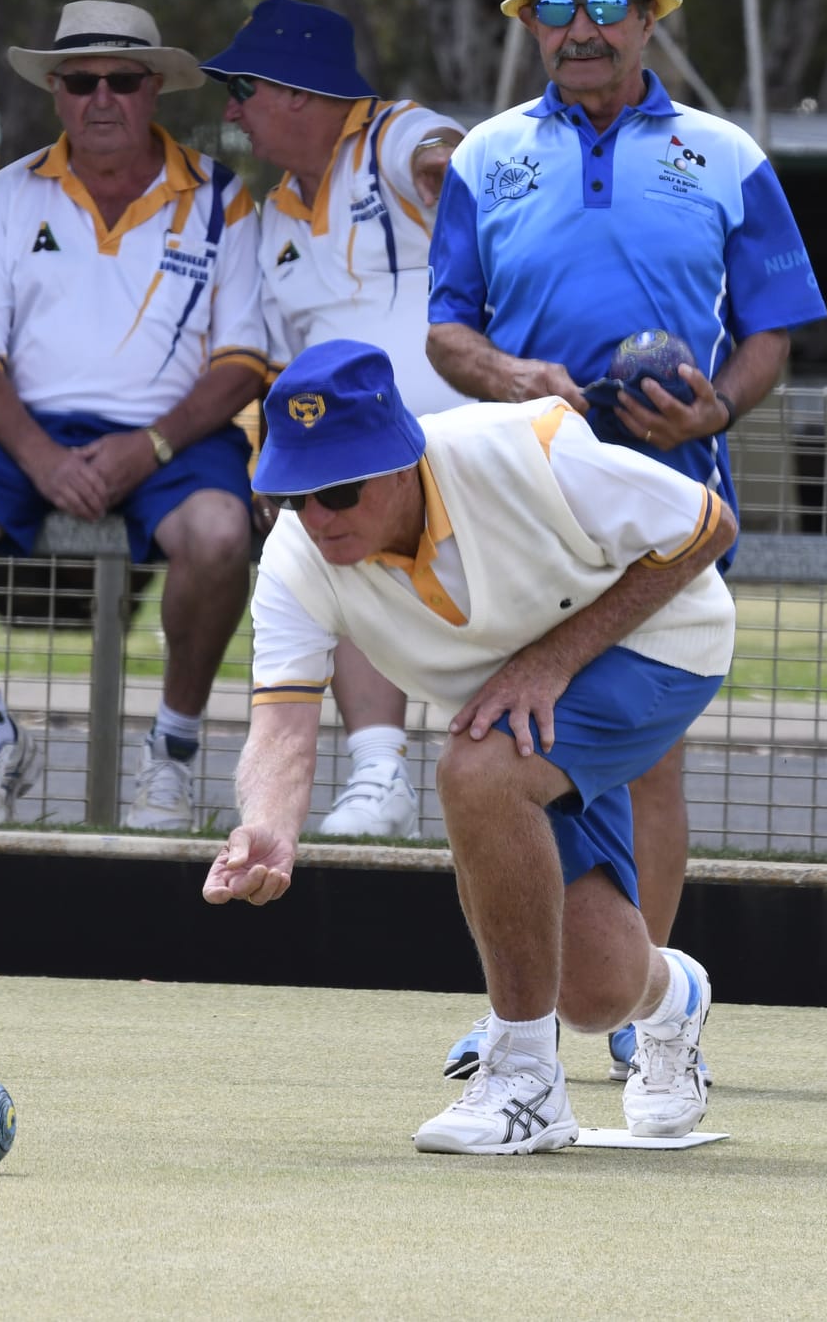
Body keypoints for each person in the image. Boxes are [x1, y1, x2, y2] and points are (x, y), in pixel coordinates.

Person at [425, 0, 827, 1080]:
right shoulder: (484, 158)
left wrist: (716, 411)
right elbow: (447, 330)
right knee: (499, 746)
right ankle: (517, 1006)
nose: (581, 28)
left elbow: (771, 328)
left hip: (665, 499)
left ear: (650, 20)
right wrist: (515, 379)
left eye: (608, 4)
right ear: (528, 26)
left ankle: (631, 1001)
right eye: (555, 7)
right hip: (520, 502)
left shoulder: (726, 153)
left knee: (645, 765)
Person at [203, 339, 739, 1155]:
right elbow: (281, 722)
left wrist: (554, 660)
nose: (316, 518)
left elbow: (708, 523)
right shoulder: (296, 556)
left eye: (338, 490)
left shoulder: (526, 447)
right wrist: (268, 826)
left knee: (476, 768)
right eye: (291, 494)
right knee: (596, 990)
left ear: (398, 462)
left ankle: (526, 1081)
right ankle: (676, 997)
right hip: (516, 701)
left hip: (667, 645)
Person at [0, 1, 267, 829]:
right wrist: (38, 457)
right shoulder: (8, 194)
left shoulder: (223, 200)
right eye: (81, 80)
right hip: (28, 429)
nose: (102, 97)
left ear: (155, 92)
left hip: (177, 435)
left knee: (219, 537)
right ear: (57, 93)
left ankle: (171, 752)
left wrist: (152, 443)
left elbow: (244, 362)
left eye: (123, 79)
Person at [199, 0, 468, 839]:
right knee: (333, 556)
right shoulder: (273, 212)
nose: (230, 109)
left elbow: (440, 151)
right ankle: (379, 777)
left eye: (244, 87)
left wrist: (443, 171)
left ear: (301, 92)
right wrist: (271, 457)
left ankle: (520, 788)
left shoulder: (388, 134)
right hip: (341, 452)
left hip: (462, 440)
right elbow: (280, 364)